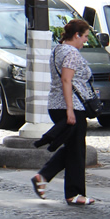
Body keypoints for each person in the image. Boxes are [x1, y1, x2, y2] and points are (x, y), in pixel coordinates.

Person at [31, 19, 97, 206]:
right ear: (77, 35)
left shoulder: (57, 50)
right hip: (72, 106)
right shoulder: (72, 53)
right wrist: (70, 110)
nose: (85, 40)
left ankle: (43, 176)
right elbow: (66, 81)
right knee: (77, 151)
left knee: (72, 148)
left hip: (56, 104)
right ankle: (74, 194)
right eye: (85, 36)